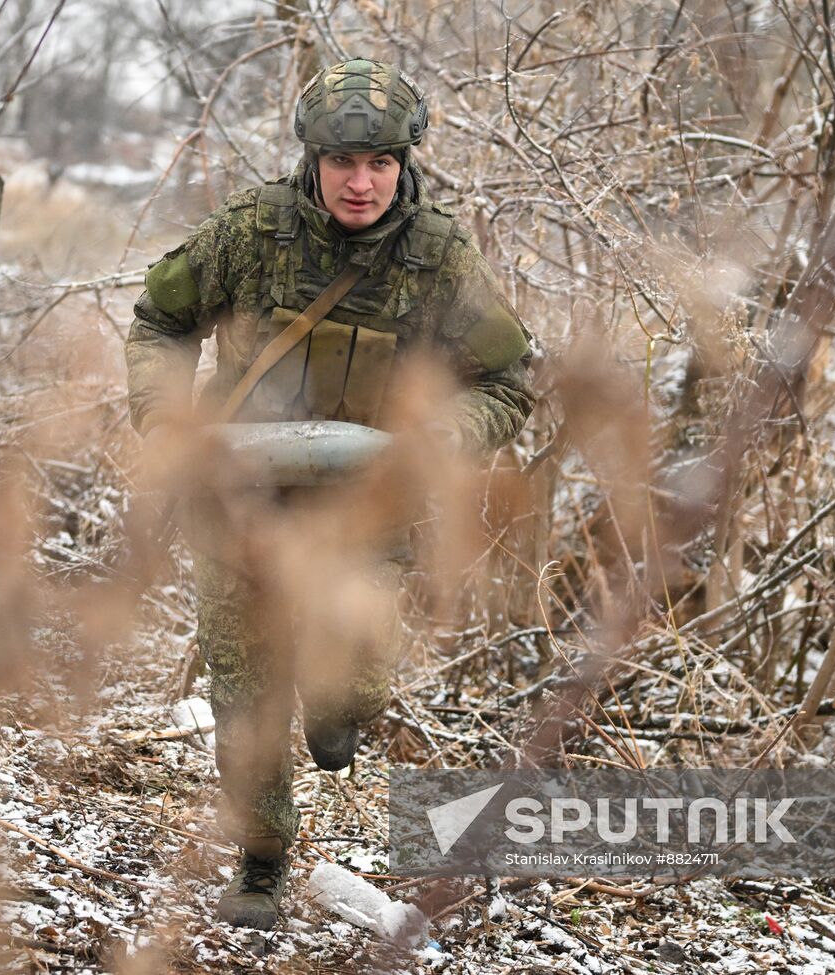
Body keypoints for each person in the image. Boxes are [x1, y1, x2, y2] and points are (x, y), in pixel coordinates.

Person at [124, 58, 535, 930]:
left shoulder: (439, 258)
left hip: (366, 513)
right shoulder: (252, 232)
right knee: (244, 687)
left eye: (380, 163)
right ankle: (262, 857)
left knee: (354, 680)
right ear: (310, 159)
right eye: (343, 163)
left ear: (404, 163)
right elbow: (161, 320)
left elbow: (507, 381)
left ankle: (342, 708)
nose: (361, 183)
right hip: (240, 502)